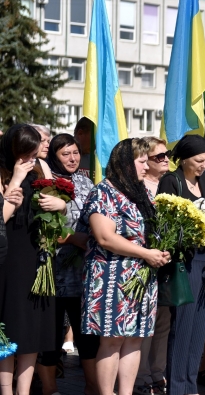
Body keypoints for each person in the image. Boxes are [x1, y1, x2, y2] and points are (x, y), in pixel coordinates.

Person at [78, 138, 170, 395]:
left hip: (141, 277)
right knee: (112, 341)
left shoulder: (141, 193)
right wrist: (146, 253)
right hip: (111, 277)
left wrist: (162, 250)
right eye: (141, 162)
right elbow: (104, 237)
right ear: (126, 163)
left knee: (134, 340)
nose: (146, 167)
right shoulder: (103, 192)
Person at [158, 135, 205, 395]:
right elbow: (168, 224)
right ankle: (177, 388)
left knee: (200, 329)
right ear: (184, 159)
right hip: (185, 263)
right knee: (182, 328)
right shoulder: (171, 181)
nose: (203, 165)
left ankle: (191, 387)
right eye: (198, 161)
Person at [37, 134, 100, 395]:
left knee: (88, 336)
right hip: (51, 271)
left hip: (82, 273)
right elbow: (44, 226)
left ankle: (92, 387)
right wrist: (74, 238)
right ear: (54, 156)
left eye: (75, 152)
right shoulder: (44, 180)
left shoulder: (85, 181)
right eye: (65, 154)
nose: (73, 158)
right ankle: (50, 389)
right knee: (50, 337)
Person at [0, 124, 56, 395]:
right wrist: (15, 179)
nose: (32, 159)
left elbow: (55, 202)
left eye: (35, 153)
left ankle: (23, 391)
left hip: (36, 254)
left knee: (33, 328)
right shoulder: (2, 171)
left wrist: (60, 205)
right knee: (10, 327)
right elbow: (1, 218)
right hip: (9, 257)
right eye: (27, 154)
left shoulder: (40, 167)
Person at [134, 137, 171, 395]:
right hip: (144, 261)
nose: (166, 159)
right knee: (146, 322)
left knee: (163, 322)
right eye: (159, 156)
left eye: (167, 154)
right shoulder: (138, 188)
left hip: (166, 263)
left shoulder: (169, 184)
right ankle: (141, 376)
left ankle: (158, 372)